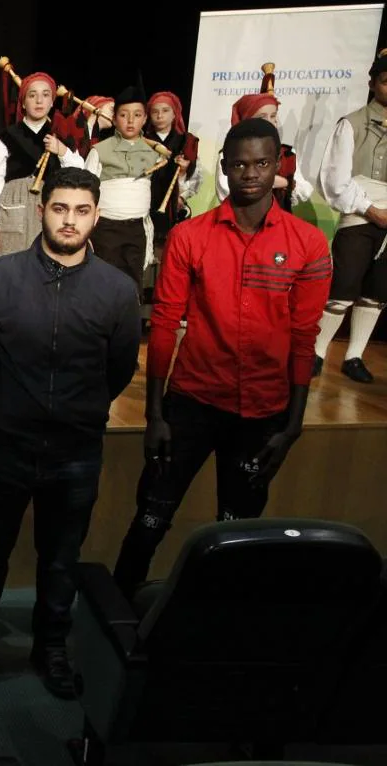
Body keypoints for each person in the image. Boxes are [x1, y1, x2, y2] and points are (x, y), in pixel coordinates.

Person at [113, 119, 332, 593]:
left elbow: (303, 336)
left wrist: (293, 424)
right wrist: (155, 413)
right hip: (191, 403)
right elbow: (166, 323)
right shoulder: (191, 237)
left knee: (237, 535)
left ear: (277, 166)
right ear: (225, 168)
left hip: (263, 413)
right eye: (238, 164)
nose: (250, 173)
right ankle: (114, 616)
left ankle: (220, 627)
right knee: (150, 519)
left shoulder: (308, 243)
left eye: (260, 163)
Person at [0, 167, 140, 700]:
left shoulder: (118, 290)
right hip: (4, 447)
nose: (70, 220)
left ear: (96, 216)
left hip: (76, 452)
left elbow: (119, 369)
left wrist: (79, 411)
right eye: (61, 208)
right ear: (43, 210)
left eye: (82, 211)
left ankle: (51, 648)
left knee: (61, 561)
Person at [313, 50, 387, 383]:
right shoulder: (352, 123)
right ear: (373, 83)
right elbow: (334, 179)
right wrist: (372, 210)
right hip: (360, 216)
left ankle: (354, 355)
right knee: (342, 289)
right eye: (386, 81)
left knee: (376, 293)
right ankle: (316, 352)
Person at [0, 71, 84, 257]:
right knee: (9, 268)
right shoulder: (7, 137)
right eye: (32, 95)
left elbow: (80, 174)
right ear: (23, 103)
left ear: (52, 102)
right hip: (12, 209)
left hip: (50, 208)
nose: (39, 101)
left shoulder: (61, 136)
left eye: (45, 95)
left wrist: (62, 151)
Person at [83, 84, 164, 293]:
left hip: (137, 229)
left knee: (132, 285)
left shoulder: (154, 153)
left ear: (145, 118)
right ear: (115, 118)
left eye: (137, 115)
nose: (130, 121)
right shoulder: (100, 150)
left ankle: (127, 324)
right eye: (124, 115)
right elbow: (86, 189)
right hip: (106, 229)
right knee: (103, 283)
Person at [215, 89, 314, 212]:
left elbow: (304, 189)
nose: (270, 121)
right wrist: (273, 181)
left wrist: (287, 183)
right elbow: (226, 191)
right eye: (262, 117)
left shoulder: (287, 154)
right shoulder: (230, 154)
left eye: (273, 116)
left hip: (279, 223)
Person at [145, 91, 201, 244]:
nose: (159, 115)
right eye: (155, 111)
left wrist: (182, 180)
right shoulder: (143, 140)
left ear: (175, 114)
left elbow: (196, 176)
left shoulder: (185, 141)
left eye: (165, 110)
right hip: (144, 205)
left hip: (174, 208)